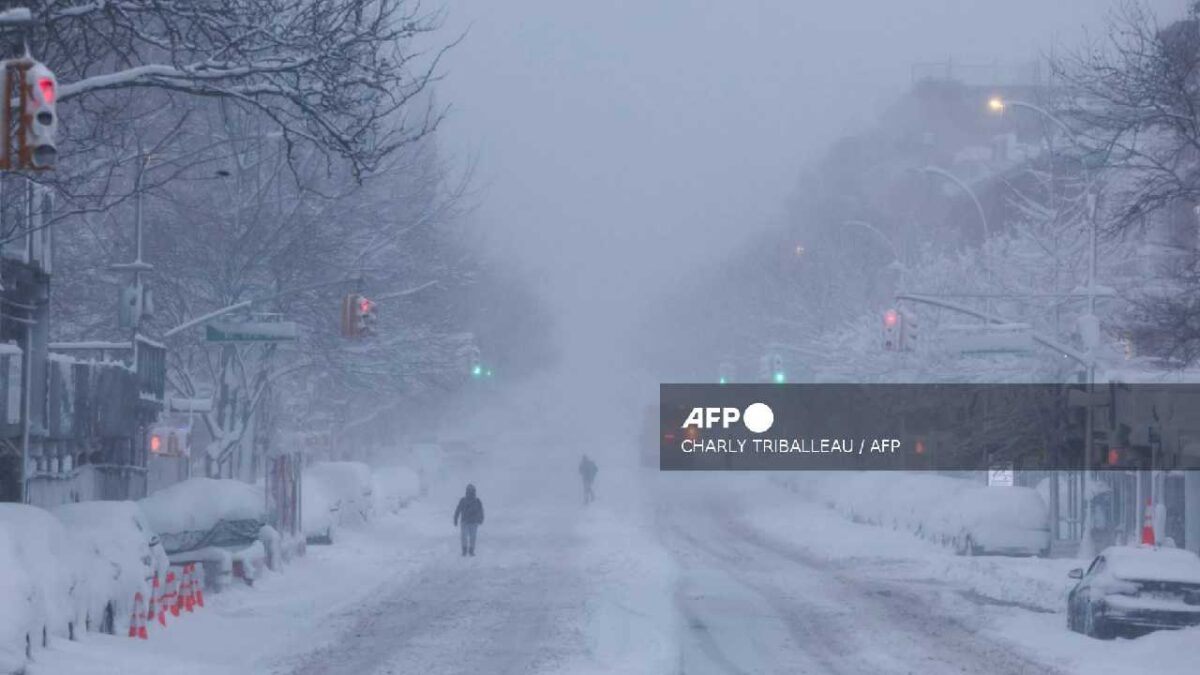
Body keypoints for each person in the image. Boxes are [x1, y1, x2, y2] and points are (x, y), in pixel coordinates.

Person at [453, 483, 484, 556]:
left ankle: (471, 550)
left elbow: (481, 511)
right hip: (465, 522)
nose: (470, 493)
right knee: (464, 536)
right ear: (467, 491)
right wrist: (455, 518)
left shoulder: (477, 501)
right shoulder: (463, 500)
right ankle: (465, 550)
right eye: (469, 491)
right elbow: (458, 510)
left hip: (473, 522)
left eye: (471, 491)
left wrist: (481, 518)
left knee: (472, 537)